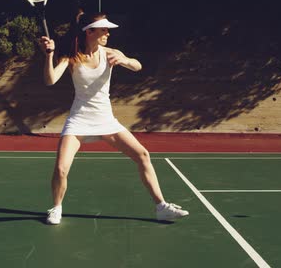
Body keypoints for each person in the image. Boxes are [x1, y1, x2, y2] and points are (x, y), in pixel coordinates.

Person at [38, 11, 189, 225]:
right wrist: (48, 55)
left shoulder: (110, 52)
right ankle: (56, 207)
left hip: (106, 120)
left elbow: (138, 66)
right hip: (79, 120)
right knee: (61, 168)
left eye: (108, 29)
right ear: (89, 31)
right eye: (103, 29)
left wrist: (125, 59)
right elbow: (50, 80)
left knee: (143, 155)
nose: (108, 33)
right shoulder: (72, 57)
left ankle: (161, 207)